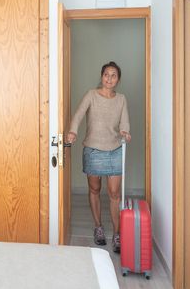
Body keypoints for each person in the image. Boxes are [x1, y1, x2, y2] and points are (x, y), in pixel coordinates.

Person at [66, 61, 131, 253]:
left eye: (114, 75)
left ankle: (117, 234)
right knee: (95, 189)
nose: (109, 78)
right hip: (93, 149)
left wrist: (126, 132)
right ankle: (98, 227)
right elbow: (78, 115)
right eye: (106, 75)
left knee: (114, 194)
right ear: (101, 76)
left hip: (115, 149)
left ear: (118, 79)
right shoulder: (91, 95)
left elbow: (125, 121)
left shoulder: (121, 99)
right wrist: (72, 132)